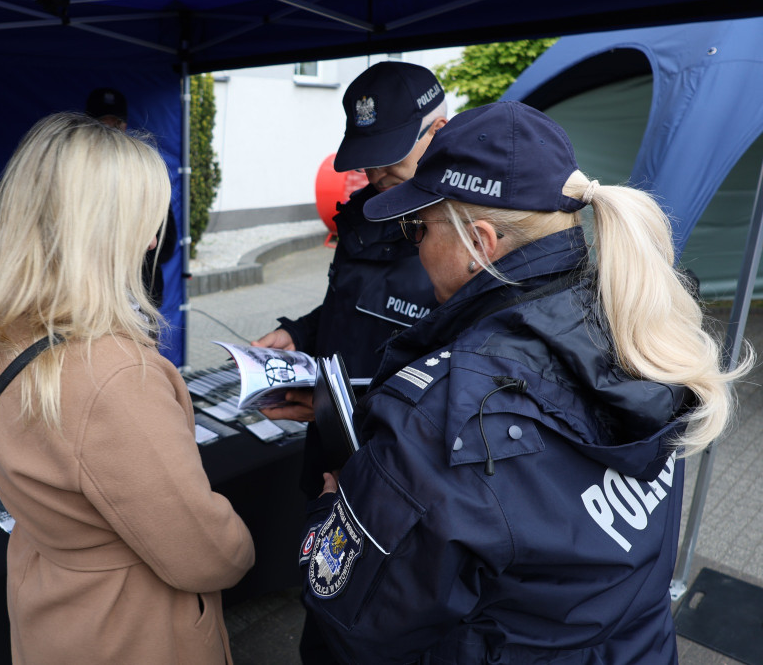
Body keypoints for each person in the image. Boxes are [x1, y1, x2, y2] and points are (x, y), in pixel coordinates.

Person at [297, 100, 753, 664]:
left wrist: (333, 510)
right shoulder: (636, 323)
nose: (413, 244)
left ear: (479, 245)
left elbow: (358, 623)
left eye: (418, 227)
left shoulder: (443, 416)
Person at [0, 112, 254, 664]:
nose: (150, 238)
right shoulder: (111, 374)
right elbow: (205, 554)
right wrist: (243, 542)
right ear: (102, 230)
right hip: (129, 626)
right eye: (144, 219)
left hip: (49, 600)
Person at [253, 61, 447, 487]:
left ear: (438, 132)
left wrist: (341, 407)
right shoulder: (361, 213)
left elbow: (456, 385)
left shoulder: (464, 236)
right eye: (366, 158)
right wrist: (302, 334)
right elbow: (354, 302)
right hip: (328, 446)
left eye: (389, 155)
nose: (375, 175)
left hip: (403, 469)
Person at [86, 86, 178, 309]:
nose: (110, 133)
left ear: (125, 126)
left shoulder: (143, 171)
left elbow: (164, 243)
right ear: (87, 130)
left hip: (142, 294)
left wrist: (132, 254)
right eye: (102, 125)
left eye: (115, 125)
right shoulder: (77, 176)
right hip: (92, 300)